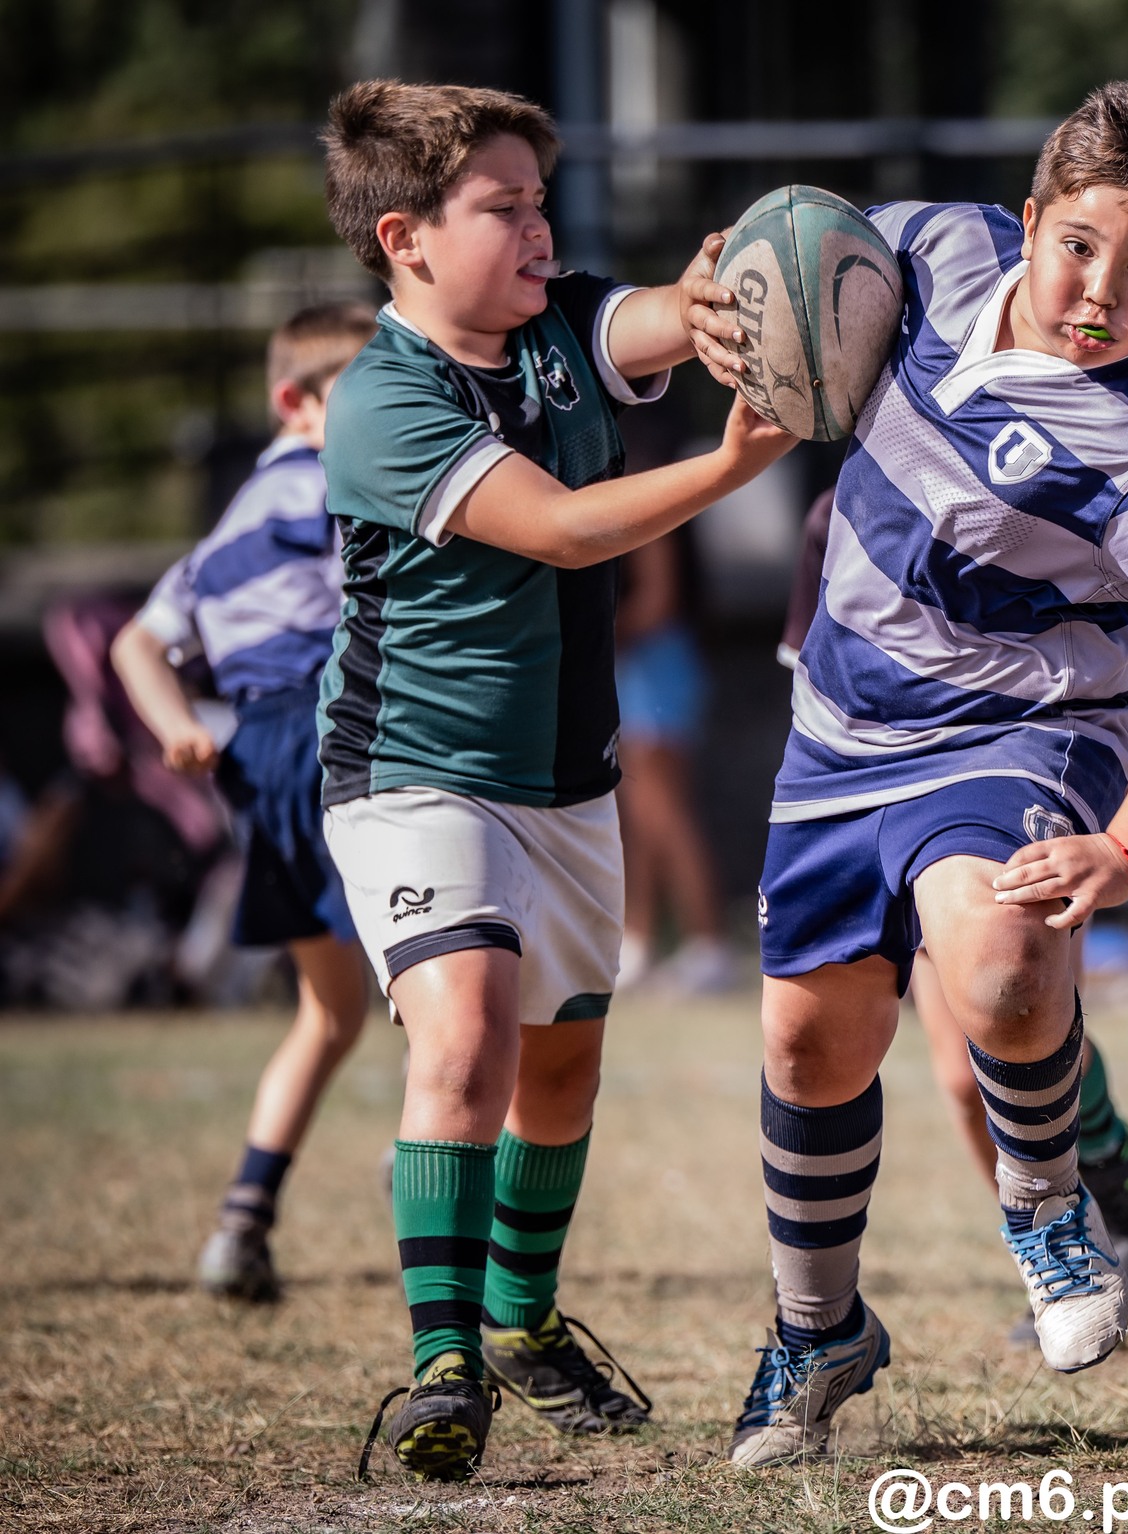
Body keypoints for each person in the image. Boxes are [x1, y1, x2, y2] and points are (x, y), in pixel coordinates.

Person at [692, 71, 1128, 1465]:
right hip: (842, 722)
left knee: (1005, 963)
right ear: (1026, 222)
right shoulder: (932, 248)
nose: (1100, 289)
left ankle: (1048, 1208)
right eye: (1079, 245)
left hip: (1025, 724)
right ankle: (815, 1327)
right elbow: (793, 256)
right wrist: (716, 301)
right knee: (808, 1037)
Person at [315, 80, 793, 1481]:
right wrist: (725, 464)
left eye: (542, 201)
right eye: (503, 208)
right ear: (405, 238)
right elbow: (572, 531)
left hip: (566, 777)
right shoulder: (383, 401)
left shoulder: (559, 320)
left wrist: (722, 300)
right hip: (417, 773)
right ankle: (443, 1361)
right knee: (466, 1035)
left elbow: (643, 313)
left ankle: (522, 1318)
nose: (539, 230)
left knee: (563, 1061)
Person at [779, 491, 1128, 1335]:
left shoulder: (1055, 481)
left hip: (1018, 774)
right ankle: (1054, 1247)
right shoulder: (843, 515)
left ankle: (1103, 1175)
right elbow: (817, 686)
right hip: (889, 795)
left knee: (999, 1027)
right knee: (963, 1083)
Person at [109, 302, 378, 1301]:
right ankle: (436, 1164)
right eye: (369, 389)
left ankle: (241, 1222)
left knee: (332, 1007)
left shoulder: (230, 522)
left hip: (255, 754)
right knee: (453, 979)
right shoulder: (329, 482)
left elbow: (134, 641)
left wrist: (177, 723)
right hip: (333, 730)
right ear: (295, 406)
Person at [615, 530, 732, 993]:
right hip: (636, 668)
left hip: (656, 665)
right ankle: (638, 942)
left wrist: (591, 630)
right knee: (639, 821)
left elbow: (656, 601)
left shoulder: (647, 488)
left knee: (667, 814)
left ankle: (709, 944)